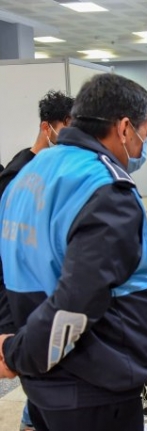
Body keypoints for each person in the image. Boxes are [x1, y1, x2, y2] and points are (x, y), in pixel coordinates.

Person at [0, 73, 147, 431]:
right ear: (124, 128)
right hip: (94, 384)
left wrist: (13, 343)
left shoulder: (32, 173)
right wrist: (16, 353)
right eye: (146, 134)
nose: (142, 149)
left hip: (46, 382)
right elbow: (76, 303)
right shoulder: (105, 188)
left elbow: (11, 265)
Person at [0, 90, 74, 431]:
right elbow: (6, 258)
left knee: (48, 383)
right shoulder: (16, 180)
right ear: (48, 128)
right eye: (67, 128)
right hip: (25, 304)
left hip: (55, 303)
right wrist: (5, 325)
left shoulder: (60, 172)